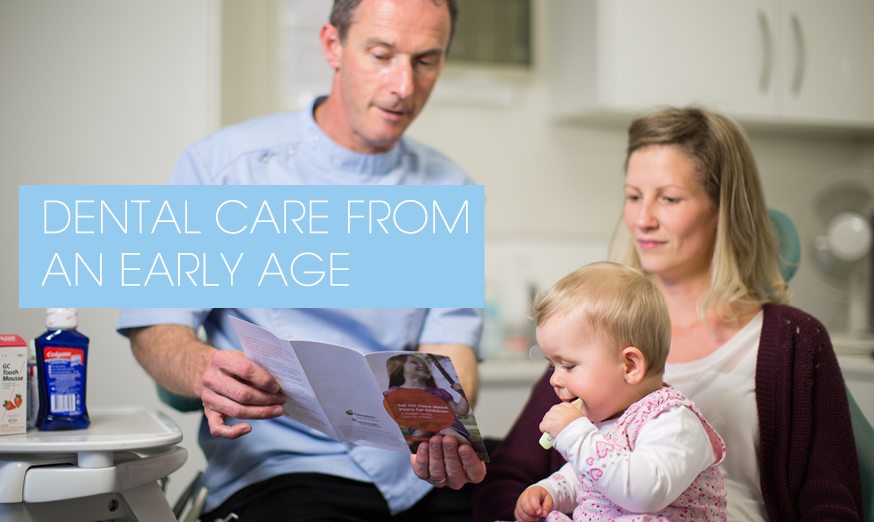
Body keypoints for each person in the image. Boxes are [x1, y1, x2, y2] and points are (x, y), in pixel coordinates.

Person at [116, 1, 487, 520]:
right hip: (282, 467)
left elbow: (452, 348)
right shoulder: (224, 168)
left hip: (413, 468)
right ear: (332, 45)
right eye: (381, 55)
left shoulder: (450, 188)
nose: (404, 84)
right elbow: (155, 326)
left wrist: (439, 426)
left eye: (426, 60)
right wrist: (205, 369)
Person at [473, 107, 864, 522]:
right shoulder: (596, 332)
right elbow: (507, 481)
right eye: (633, 196)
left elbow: (831, 503)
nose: (643, 220)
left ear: (722, 208)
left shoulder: (794, 341)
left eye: (670, 198)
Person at [514, 262, 726, 522]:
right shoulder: (606, 420)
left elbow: (646, 493)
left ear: (630, 366)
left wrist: (578, 438)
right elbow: (588, 475)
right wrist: (550, 490)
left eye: (568, 365)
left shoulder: (673, 421)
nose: (555, 379)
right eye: (553, 365)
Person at [384, 353, 473, 449]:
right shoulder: (393, 393)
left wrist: (463, 395)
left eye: (425, 364)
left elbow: (461, 411)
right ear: (399, 368)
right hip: (419, 426)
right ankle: (410, 445)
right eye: (414, 362)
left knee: (449, 432)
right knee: (421, 432)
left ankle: (466, 446)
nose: (422, 365)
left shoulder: (440, 392)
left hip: (448, 424)